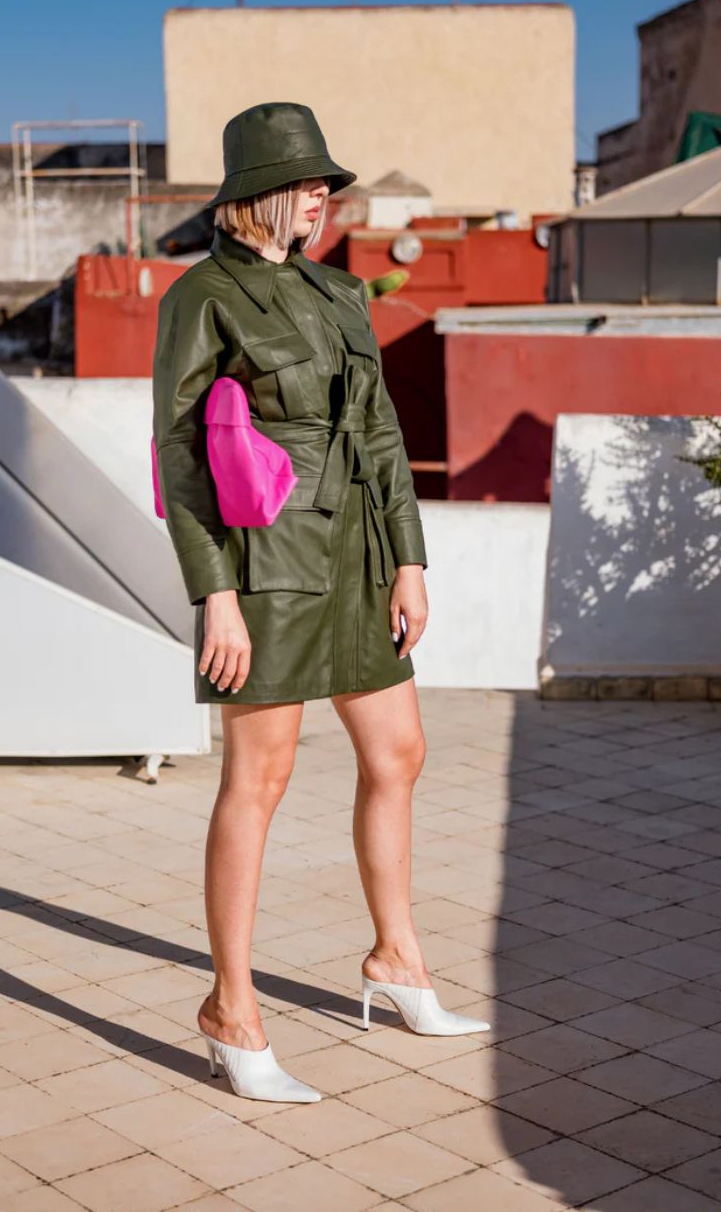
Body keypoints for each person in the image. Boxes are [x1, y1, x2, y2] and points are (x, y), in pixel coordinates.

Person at [152, 101, 489, 1103]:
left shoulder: (342, 292)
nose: (322, 197)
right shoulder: (201, 296)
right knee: (259, 777)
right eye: (307, 182)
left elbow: (380, 432)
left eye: (325, 183)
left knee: (400, 751)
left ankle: (396, 958)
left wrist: (409, 559)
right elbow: (178, 456)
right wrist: (213, 593)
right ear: (257, 192)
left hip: (356, 558)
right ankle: (230, 1006)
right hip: (265, 559)